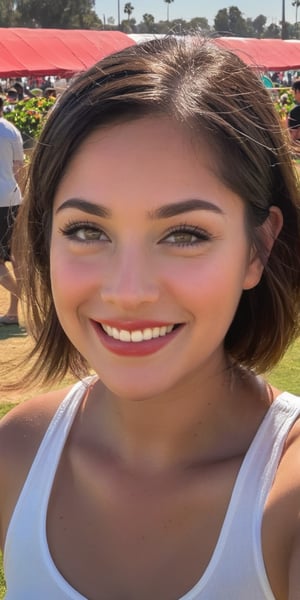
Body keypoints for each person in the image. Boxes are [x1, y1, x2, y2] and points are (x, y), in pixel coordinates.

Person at [0, 36, 300, 599]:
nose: (129, 292)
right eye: (87, 230)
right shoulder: (18, 451)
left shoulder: (288, 494)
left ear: (257, 248)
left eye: (185, 234)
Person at [0, 96, 23, 325]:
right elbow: (19, 167)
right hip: (13, 196)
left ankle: (18, 295)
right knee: (15, 256)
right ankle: (14, 311)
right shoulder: (11, 129)